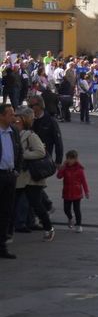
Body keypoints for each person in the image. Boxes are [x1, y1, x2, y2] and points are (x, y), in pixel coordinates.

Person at [14, 107, 54, 242]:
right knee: (11, 204)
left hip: (31, 177)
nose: (15, 122)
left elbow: (40, 152)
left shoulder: (31, 135)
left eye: (17, 120)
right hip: (19, 176)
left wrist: (22, 155)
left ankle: (48, 228)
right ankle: (8, 232)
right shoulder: (12, 134)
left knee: (36, 204)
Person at [0, 104, 23, 259]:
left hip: (10, 176)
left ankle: (2, 246)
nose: (14, 118)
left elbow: (19, 151)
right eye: (11, 114)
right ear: (1, 116)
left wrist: (17, 170)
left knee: (6, 212)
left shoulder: (13, 132)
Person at [56, 150, 89, 233]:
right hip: (67, 192)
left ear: (75, 159)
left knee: (77, 209)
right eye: (68, 158)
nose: (69, 160)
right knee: (66, 209)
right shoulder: (65, 168)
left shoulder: (80, 169)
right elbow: (59, 176)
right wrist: (62, 167)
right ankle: (70, 217)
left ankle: (78, 225)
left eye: (71, 159)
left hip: (77, 193)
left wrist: (86, 192)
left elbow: (83, 181)